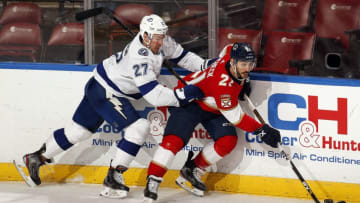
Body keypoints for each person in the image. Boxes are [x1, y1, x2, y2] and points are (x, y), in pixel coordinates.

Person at [16, 14, 212, 198]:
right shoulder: (140, 57)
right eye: (156, 38)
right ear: (144, 35)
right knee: (139, 127)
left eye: (162, 37)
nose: (160, 42)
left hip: (100, 84)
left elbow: (184, 57)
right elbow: (154, 96)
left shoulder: (159, 40)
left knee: (79, 132)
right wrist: (183, 95)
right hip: (107, 91)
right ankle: (113, 178)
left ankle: (35, 158)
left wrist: (206, 67)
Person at [143, 42, 282, 202]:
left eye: (250, 64)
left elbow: (229, 47)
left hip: (212, 105)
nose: (247, 68)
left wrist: (243, 83)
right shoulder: (223, 87)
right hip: (190, 102)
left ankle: (191, 170)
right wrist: (262, 130)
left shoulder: (231, 57)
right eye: (244, 64)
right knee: (174, 141)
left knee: (227, 141)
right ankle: (153, 181)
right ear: (232, 62)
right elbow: (237, 118)